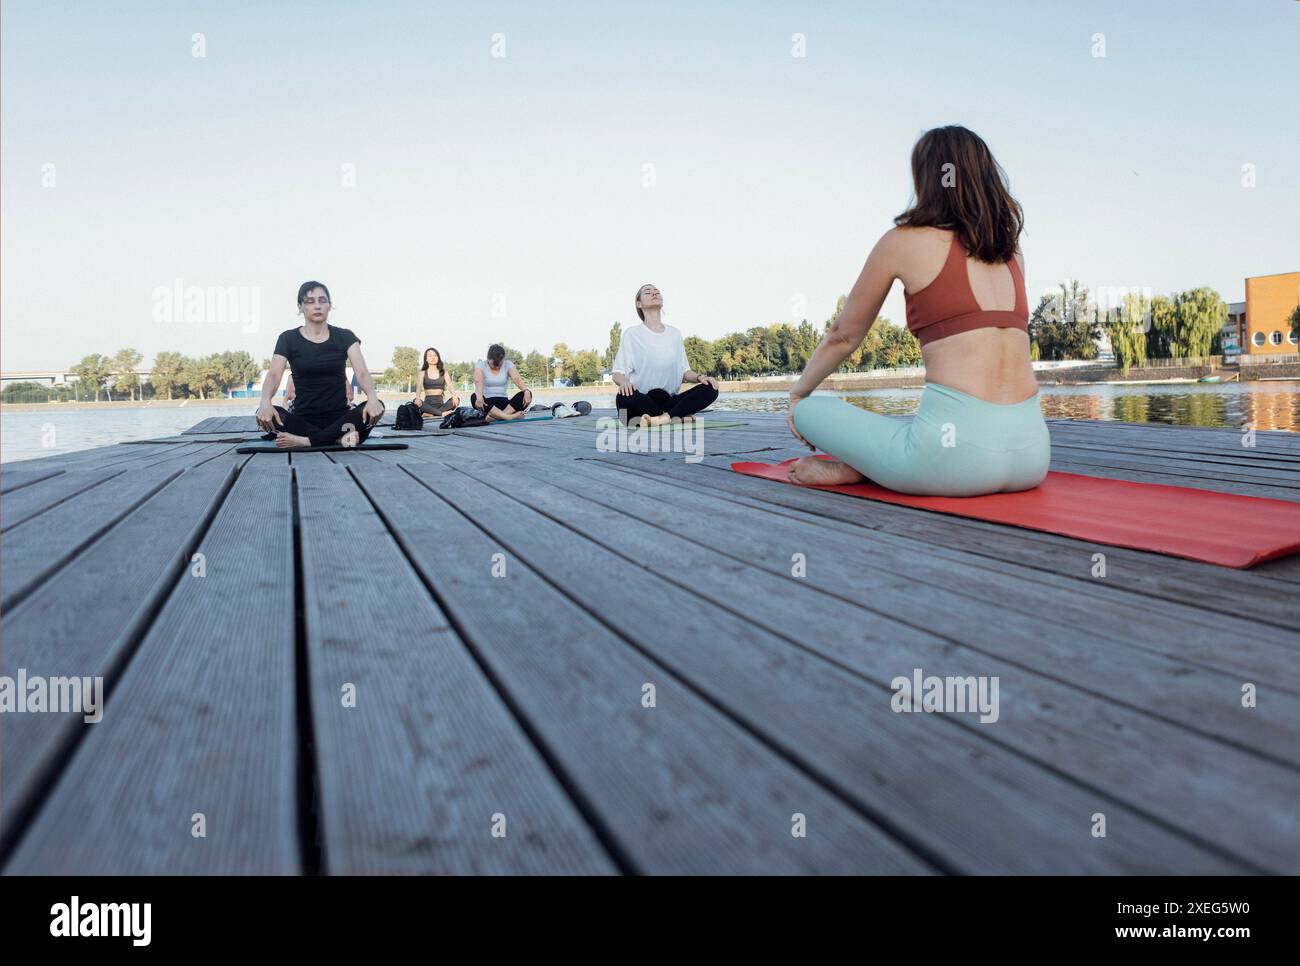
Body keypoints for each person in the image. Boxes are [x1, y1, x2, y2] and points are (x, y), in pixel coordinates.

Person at [786, 126, 1050, 496]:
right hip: (1032, 459)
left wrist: (798, 395)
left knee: (811, 411)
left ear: (926, 177)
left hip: (951, 462)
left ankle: (863, 469)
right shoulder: (1010, 251)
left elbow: (843, 337)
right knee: (914, 429)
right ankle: (880, 463)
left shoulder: (902, 242)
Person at [255, 281, 385, 448]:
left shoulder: (345, 336)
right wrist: (265, 402)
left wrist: (372, 398)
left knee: (378, 405)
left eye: (322, 300)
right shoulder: (288, 338)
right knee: (266, 414)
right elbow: (273, 374)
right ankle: (337, 439)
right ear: (300, 307)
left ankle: (307, 441)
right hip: (304, 421)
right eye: (310, 301)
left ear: (329, 305)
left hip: (340, 419)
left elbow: (362, 372)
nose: (317, 306)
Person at [611, 283, 719, 427]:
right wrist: (624, 382)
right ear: (639, 304)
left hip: (669, 400)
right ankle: (676, 416)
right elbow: (617, 373)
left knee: (711, 388)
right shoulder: (632, 334)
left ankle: (662, 419)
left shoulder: (675, 334)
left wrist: (701, 377)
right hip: (643, 399)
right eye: (647, 292)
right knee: (623, 399)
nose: (654, 293)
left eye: (656, 291)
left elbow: (684, 372)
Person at [471, 344, 532, 421]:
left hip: (504, 404)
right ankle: (508, 417)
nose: (496, 367)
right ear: (488, 358)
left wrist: (526, 391)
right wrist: (479, 397)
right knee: (474, 397)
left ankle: (496, 417)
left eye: (499, 364)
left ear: (503, 359)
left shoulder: (508, 364)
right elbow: (478, 381)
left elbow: (517, 379)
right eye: (494, 364)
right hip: (487, 404)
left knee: (526, 394)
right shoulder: (481, 365)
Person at [413, 347, 460, 419]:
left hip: (441, 405)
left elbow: (450, 385)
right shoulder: (422, 373)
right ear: (426, 359)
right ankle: (441, 413)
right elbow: (419, 387)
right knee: (415, 401)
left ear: (438, 358)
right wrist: (418, 398)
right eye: (430, 356)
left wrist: (454, 395)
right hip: (427, 406)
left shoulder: (444, 372)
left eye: (435, 355)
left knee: (457, 399)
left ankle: (432, 414)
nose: (433, 358)